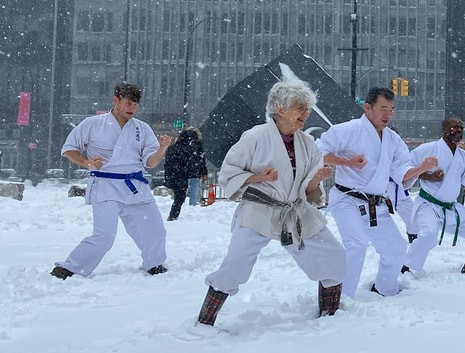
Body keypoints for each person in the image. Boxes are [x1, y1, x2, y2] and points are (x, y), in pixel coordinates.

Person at [195, 79, 345, 327]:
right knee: (235, 264)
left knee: (334, 256)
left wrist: (315, 181)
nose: (305, 114)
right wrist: (256, 177)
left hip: (295, 210)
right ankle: (204, 322)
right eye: (300, 108)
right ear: (280, 109)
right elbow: (228, 173)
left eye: (307, 109)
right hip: (259, 209)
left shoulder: (307, 144)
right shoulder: (255, 137)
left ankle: (330, 317)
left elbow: (309, 191)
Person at [315, 86, 436, 297]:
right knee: (356, 244)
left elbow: (401, 171)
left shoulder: (393, 139)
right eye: (383, 108)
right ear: (368, 107)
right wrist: (347, 162)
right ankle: (340, 298)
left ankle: (385, 289)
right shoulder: (347, 130)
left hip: (374, 204)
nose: (388, 114)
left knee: (396, 248)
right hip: (346, 199)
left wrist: (421, 169)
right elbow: (316, 152)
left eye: (391, 109)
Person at [52, 82, 172, 279]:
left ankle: (155, 263)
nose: (131, 109)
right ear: (115, 101)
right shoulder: (93, 124)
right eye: (127, 104)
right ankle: (70, 267)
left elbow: (150, 162)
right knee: (104, 236)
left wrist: (161, 149)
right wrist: (87, 162)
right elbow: (69, 149)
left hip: (135, 186)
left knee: (155, 231)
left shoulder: (142, 129)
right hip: (105, 185)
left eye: (135, 105)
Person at [403, 117, 465, 277]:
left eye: (460, 127)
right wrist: (428, 175)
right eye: (454, 127)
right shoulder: (426, 149)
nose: (458, 130)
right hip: (428, 204)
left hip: (450, 207)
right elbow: (407, 171)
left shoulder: (464, 156)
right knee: (429, 234)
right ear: (444, 129)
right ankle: (407, 266)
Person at [163, 127, 208, 221]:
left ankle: (174, 214)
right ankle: (175, 214)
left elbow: (168, 163)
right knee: (183, 195)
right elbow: (197, 161)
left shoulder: (173, 148)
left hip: (175, 175)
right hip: (186, 174)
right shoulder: (191, 149)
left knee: (179, 195)